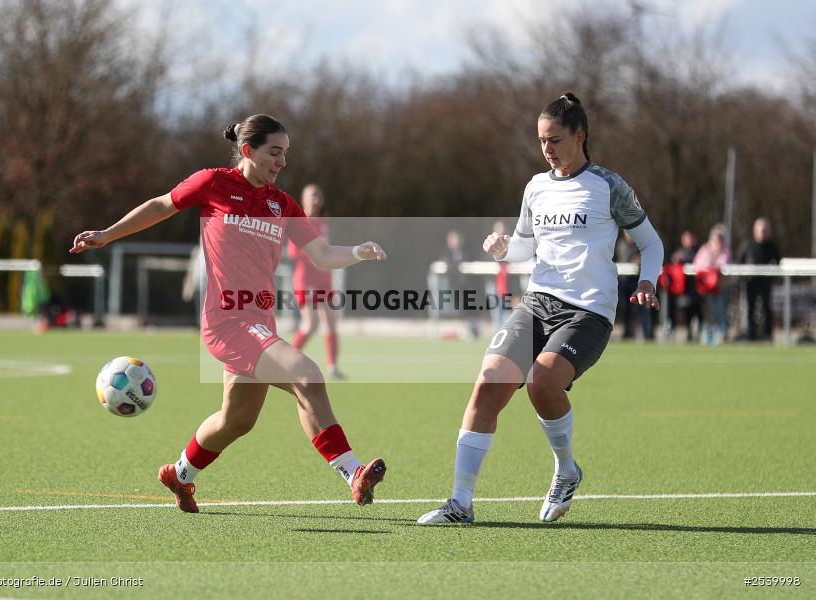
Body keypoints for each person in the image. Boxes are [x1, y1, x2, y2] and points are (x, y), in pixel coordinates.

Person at [70, 114, 389, 513]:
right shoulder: (214, 183)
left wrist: (359, 252)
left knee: (237, 420)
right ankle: (353, 473)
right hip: (229, 322)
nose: (281, 162)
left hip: (260, 323)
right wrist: (106, 234)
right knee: (307, 377)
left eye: (286, 154)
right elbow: (160, 205)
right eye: (274, 153)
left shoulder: (282, 203)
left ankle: (180, 475)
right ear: (247, 151)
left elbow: (321, 254)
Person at [417, 93, 663, 525]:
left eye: (554, 139)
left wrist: (647, 280)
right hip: (538, 302)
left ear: (580, 137)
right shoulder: (536, 187)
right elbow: (525, 247)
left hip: (588, 312)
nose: (547, 149)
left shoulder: (608, 186)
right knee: (488, 382)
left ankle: (566, 470)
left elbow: (651, 242)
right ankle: (460, 503)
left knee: (542, 381)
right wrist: (503, 248)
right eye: (541, 141)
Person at [287, 184, 345, 379]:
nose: (315, 199)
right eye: (311, 196)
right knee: (310, 325)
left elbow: (327, 250)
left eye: (318, 195)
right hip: (306, 280)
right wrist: (318, 257)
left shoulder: (323, 222)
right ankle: (285, 362)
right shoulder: (300, 221)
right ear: (303, 199)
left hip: (324, 280)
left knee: (331, 322)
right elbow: (293, 252)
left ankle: (332, 367)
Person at [736, 218, 781, 341]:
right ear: (755, 231)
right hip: (750, 281)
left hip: (766, 282)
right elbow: (739, 262)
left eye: (765, 230)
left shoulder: (772, 247)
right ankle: (751, 334)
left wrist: (774, 277)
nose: (763, 233)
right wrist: (741, 278)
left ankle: (767, 335)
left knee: (767, 307)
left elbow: (778, 264)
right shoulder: (747, 244)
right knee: (750, 308)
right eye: (761, 230)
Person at [692, 224, 731, 345]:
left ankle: (722, 333)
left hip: (721, 286)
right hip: (707, 287)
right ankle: (711, 334)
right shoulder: (705, 249)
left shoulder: (725, 250)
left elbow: (722, 264)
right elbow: (698, 263)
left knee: (720, 310)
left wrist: (711, 264)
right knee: (710, 311)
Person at [615, 229, 654, 340]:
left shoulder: (640, 245)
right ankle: (627, 332)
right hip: (623, 281)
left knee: (643, 308)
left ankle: (647, 333)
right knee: (625, 309)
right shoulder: (619, 245)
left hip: (637, 282)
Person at [666, 230, 702, 342]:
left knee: (695, 310)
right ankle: (672, 330)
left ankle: (694, 332)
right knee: (675, 309)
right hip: (680, 289)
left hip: (695, 288)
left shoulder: (699, 253)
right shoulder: (678, 253)